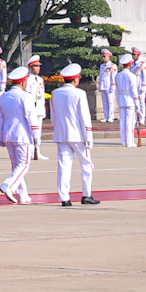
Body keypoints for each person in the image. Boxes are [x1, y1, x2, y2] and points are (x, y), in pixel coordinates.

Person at [48, 64, 98, 207]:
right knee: (86, 164)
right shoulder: (79, 93)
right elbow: (84, 117)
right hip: (78, 135)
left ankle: (64, 198)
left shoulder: (55, 93)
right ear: (75, 79)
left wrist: (56, 129)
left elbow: (53, 115)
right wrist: (89, 136)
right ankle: (86, 194)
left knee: (64, 166)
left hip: (61, 134)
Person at [0, 66, 37, 203]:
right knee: (24, 164)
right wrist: (36, 138)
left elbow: (0, 118)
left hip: (8, 135)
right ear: (23, 82)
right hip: (22, 135)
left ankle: (23, 194)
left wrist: (1, 137)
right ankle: (9, 185)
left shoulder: (4, 96)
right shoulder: (25, 97)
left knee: (16, 166)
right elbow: (32, 118)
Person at [116, 54, 142, 148]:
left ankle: (124, 141)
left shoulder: (118, 75)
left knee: (122, 121)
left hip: (121, 99)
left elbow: (117, 90)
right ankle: (130, 142)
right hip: (130, 99)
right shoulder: (132, 76)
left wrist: (118, 100)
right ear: (130, 64)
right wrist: (137, 104)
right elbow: (134, 91)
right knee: (130, 122)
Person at [25, 56, 47, 160]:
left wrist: (43, 109)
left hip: (39, 108)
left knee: (38, 131)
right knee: (31, 131)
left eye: (38, 66)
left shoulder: (40, 79)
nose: (38, 68)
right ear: (30, 67)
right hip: (31, 108)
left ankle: (37, 151)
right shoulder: (27, 80)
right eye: (35, 66)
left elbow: (41, 96)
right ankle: (30, 151)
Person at [98, 51, 118, 124]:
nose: (103, 58)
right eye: (103, 56)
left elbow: (113, 77)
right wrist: (100, 86)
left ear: (109, 57)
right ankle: (106, 116)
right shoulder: (102, 66)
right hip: (103, 86)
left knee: (110, 102)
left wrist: (113, 86)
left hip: (109, 86)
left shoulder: (112, 66)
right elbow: (101, 77)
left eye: (105, 57)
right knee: (105, 102)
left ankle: (111, 116)